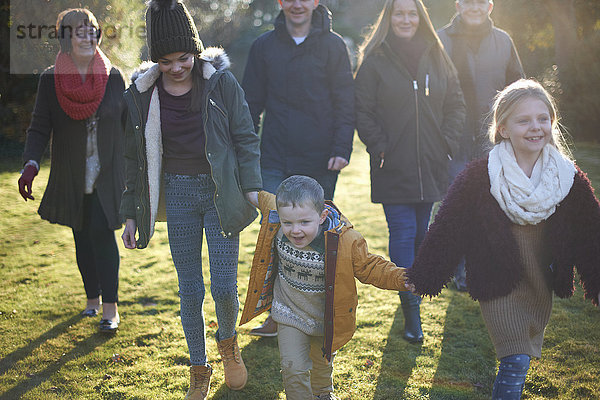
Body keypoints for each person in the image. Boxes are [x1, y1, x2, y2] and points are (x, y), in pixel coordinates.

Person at [406, 79, 600, 399]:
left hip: (540, 282)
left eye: (543, 118)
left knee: (520, 360)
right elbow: (448, 227)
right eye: (523, 120)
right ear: (504, 129)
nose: (535, 127)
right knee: (515, 358)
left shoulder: (567, 178)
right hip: (498, 280)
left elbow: (591, 234)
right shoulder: (480, 176)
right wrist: (425, 275)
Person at [119, 0, 261, 398]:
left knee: (222, 286)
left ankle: (228, 343)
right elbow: (134, 160)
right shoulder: (142, 94)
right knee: (190, 289)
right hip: (177, 193)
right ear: (155, 60)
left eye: (184, 57)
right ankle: (199, 367)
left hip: (221, 193)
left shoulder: (221, 83)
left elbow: (246, 138)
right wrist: (130, 214)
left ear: (195, 52)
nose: (177, 67)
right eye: (166, 61)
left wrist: (250, 186)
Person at [354, 0, 465, 343]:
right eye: (399, 13)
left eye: (412, 13)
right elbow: (363, 110)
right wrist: (380, 145)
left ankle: (410, 295)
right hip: (393, 164)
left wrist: (446, 142)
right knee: (402, 232)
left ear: (421, 17)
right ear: (389, 18)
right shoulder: (375, 60)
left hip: (432, 163)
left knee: (421, 233)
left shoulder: (437, 54)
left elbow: (456, 103)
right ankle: (412, 313)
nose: (406, 19)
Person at [242, 0, 355, 337]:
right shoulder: (264, 46)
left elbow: (345, 100)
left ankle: (314, 315)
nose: (297, 4)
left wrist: (341, 147)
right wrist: (247, 155)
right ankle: (277, 316)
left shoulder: (333, 46)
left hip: (321, 159)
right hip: (275, 157)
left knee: (314, 236)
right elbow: (251, 104)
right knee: (277, 235)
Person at [239, 175, 408, 400]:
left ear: (322, 216)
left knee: (321, 367)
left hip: (325, 318)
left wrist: (406, 278)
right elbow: (257, 196)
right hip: (289, 313)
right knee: (293, 368)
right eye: (287, 223)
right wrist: (236, 180)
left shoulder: (344, 241)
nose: (295, 230)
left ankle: (323, 394)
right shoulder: (275, 214)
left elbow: (370, 267)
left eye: (304, 222)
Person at [18, 8, 125, 333]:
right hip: (72, 173)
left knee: (101, 232)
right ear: (66, 37)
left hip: (107, 172)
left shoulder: (114, 77)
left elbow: (128, 125)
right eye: (79, 31)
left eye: (92, 30)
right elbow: (39, 127)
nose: (88, 36)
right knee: (81, 235)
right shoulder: (50, 80)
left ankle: (110, 308)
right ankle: (91, 300)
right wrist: (31, 163)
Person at [438, 0, 525, 291]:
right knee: (457, 206)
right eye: (468, 2)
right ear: (458, 5)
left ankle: (487, 268)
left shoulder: (503, 41)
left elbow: (518, 89)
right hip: (452, 137)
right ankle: (458, 272)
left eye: (480, 2)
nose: (474, 7)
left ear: (490, 6)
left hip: (493, 139)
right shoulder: (440, 40)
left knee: (493, 204)